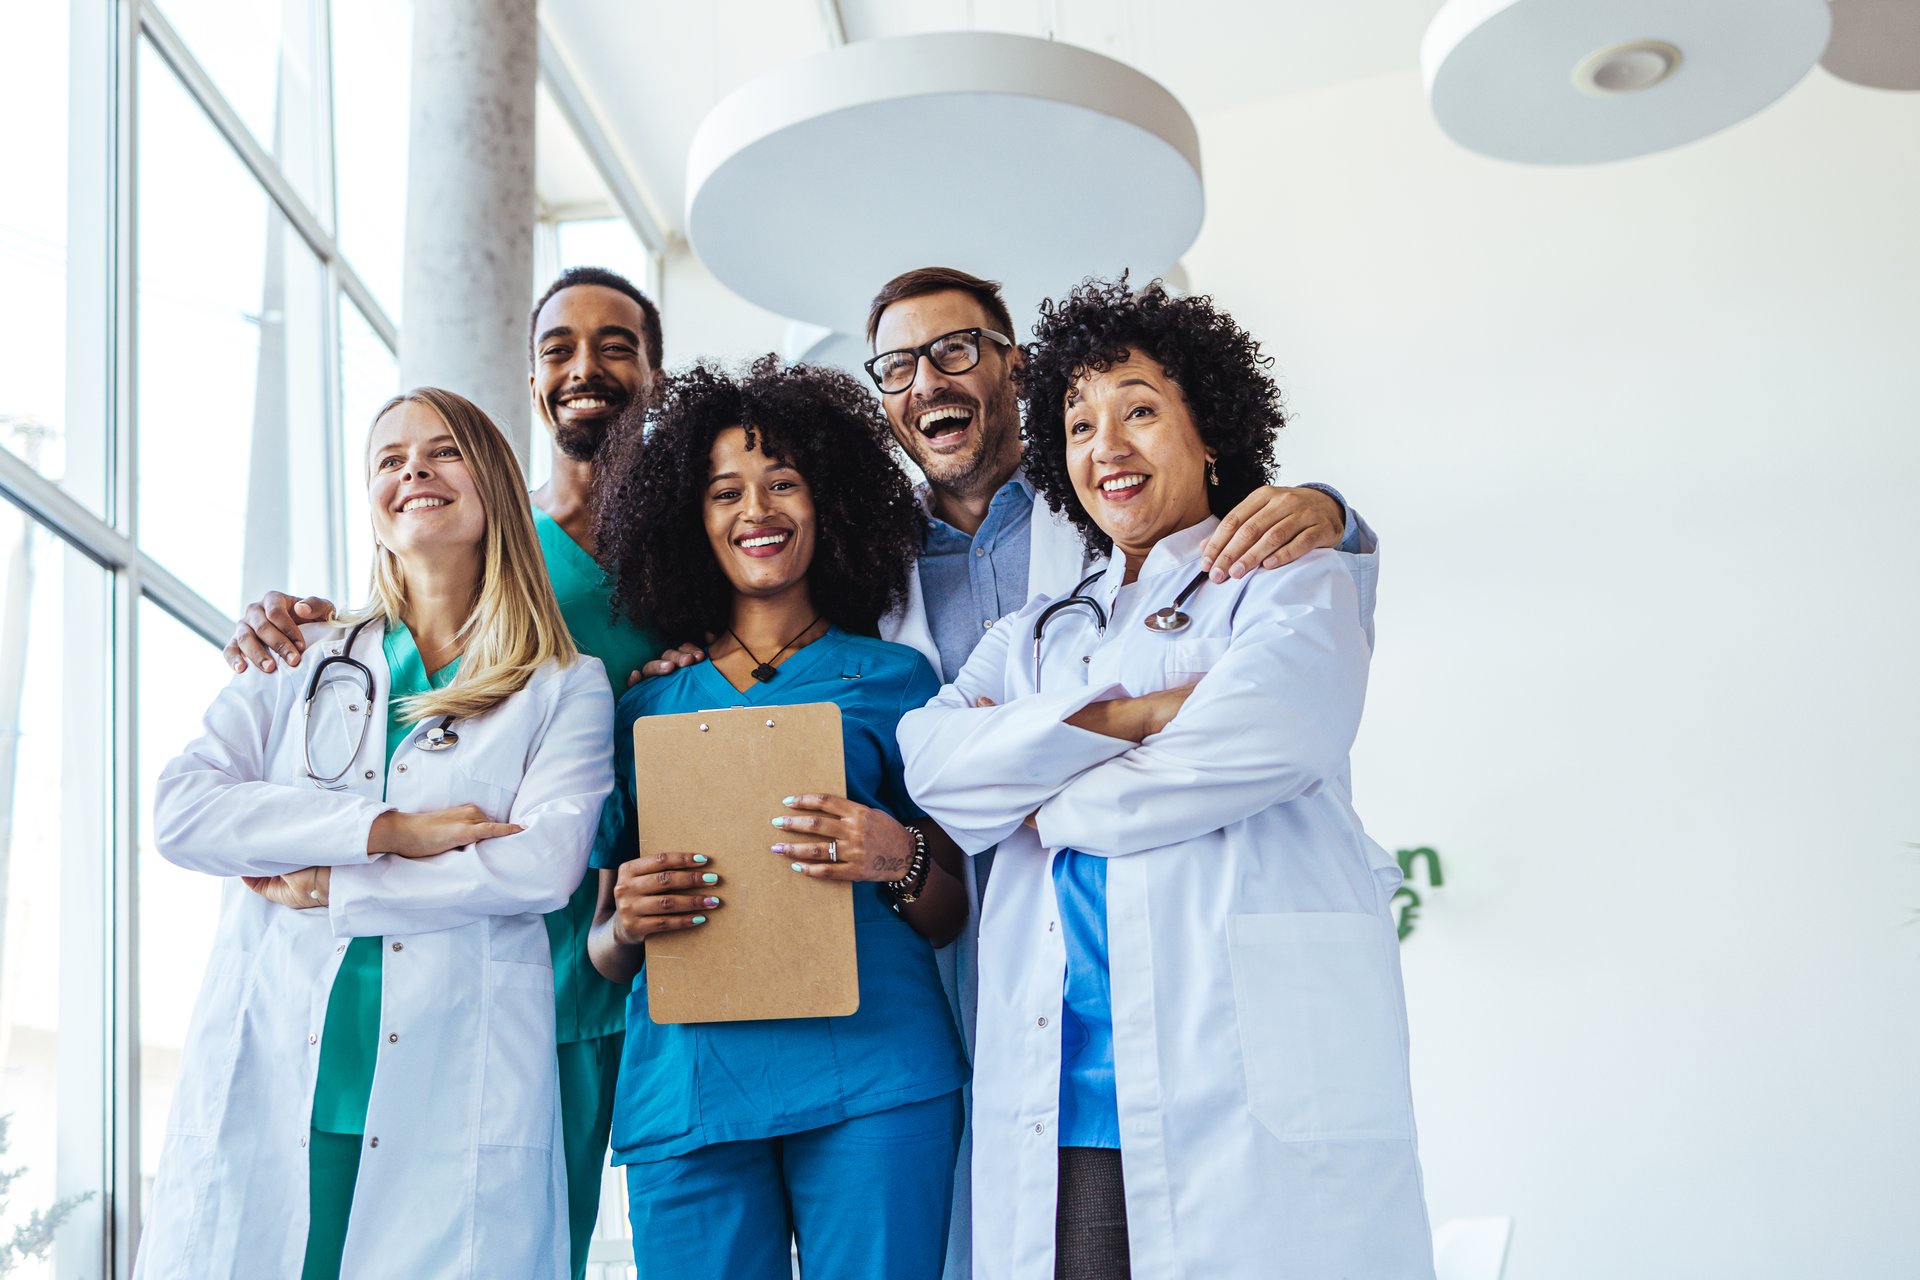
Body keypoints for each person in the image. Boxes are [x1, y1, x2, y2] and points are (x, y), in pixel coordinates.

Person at [897, 279, 1431, 1279]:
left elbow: (1261, 737)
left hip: (1237, 1076)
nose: (1109, 447)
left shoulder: (1291, 583)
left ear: (1210, 431)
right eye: (1080, 421)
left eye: (1140, 409)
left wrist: (1040, 793)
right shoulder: (1038, 630)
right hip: (1069, 1096)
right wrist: (1134, 717)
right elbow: (936, 770)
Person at [220, 267, 667, 1279]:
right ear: (531, 375)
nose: (584, 366)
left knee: (530, 1234)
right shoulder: (486, 543)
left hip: (597, 949)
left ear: (654, 370)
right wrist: (275, 621)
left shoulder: (688, 559)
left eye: (614, 344)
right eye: (558, 347)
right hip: (435, 928)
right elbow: (389, 647)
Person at [138, 387, 614, 1278]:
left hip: (452, 1080)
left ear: (495, 487)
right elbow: (183, 810)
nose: (413, 473)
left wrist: (332, 882)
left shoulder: (562, 684)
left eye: (441, 453)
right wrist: (389, 831)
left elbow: (542, 867)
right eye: (389, 460)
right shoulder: (304, 654)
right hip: (286, 1066)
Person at [586, 357, 970, 1280]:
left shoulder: (899, 682)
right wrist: (628, 923)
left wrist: (898, 855)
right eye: (725, 492)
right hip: (689, 1089)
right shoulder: (642, 707)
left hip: (876, 1074)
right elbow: (602, 946)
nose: (756, 510)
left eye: (783, 482)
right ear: (689, 518)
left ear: (828, 502)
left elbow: (950, 908)